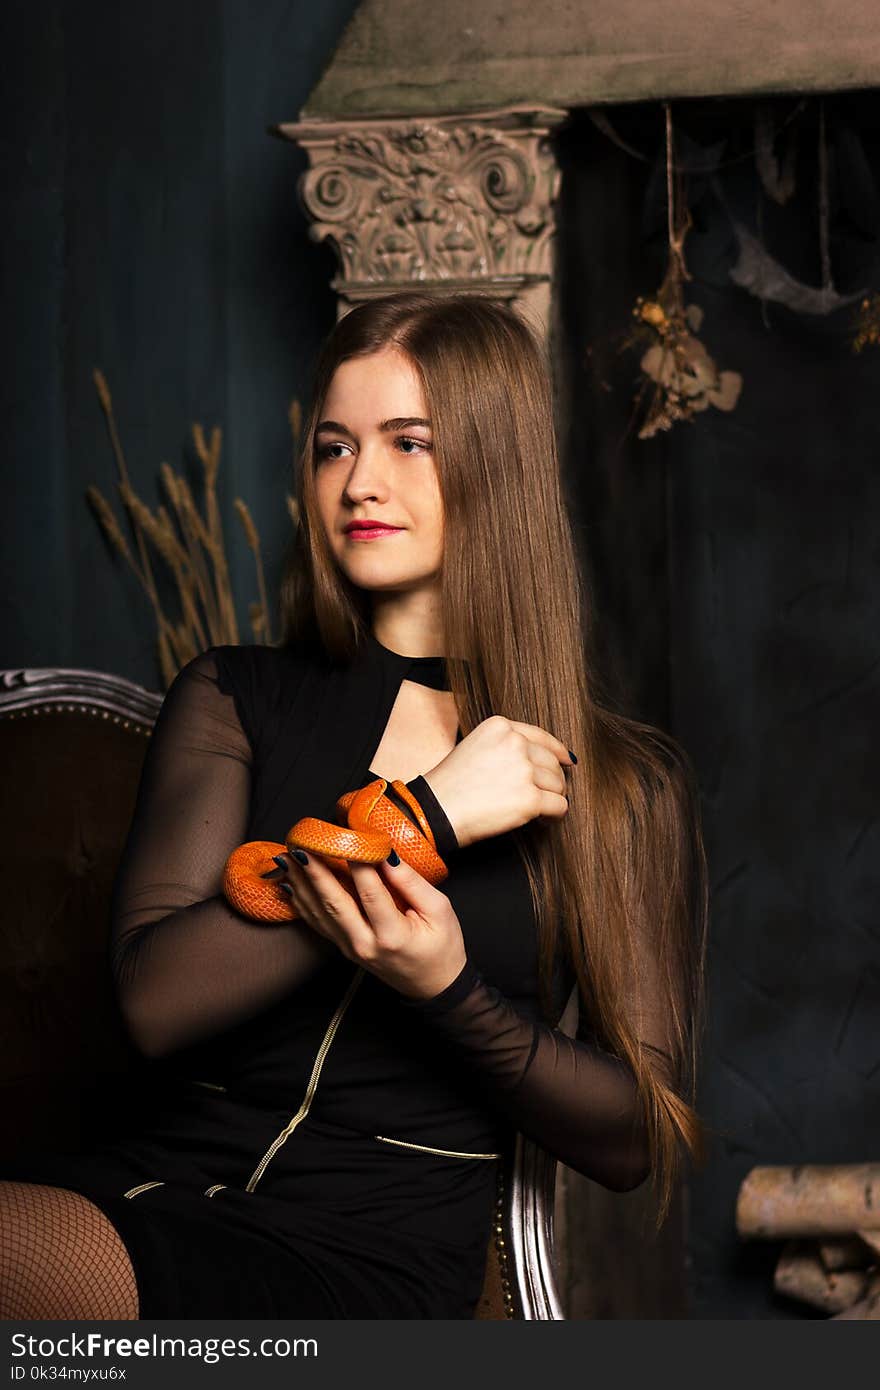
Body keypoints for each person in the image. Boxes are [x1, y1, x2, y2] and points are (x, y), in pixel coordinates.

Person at [0, 291, 708, 1320]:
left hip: (362, 1252)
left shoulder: (618, 787)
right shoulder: (236, 695)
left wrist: (446, 992)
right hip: (144, 1189)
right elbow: (154, 1001)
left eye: (407, 442)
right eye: (334, 448)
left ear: (494, 463)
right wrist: (423, 818)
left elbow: (633, 1138)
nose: (359, 483)